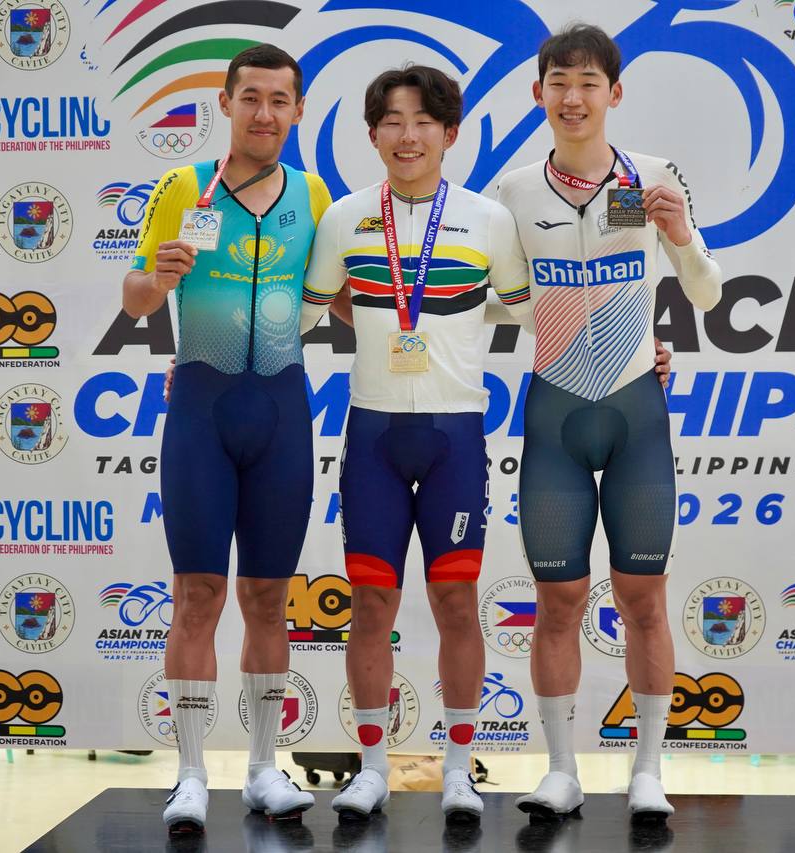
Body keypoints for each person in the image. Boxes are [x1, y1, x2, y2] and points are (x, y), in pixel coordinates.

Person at [495, 24, 722, 823]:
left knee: (644, 596)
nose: (573, 97)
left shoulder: (653, 177)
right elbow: (494, 300)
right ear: (539, 93)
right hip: (555, 411)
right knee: (557, 598)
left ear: (614, 93)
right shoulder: (512, 192)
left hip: (635, 415)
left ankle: (648, 770)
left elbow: (707, 294)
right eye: (559, 82)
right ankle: (561, 771)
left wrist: (681, 236)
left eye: (589, 82)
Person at [298, 64, 534, 825]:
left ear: (450, 133)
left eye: (424, 121)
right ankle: (372, 769)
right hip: (372, 433)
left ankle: (459, 770)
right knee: (371, 603)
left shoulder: (487, 220)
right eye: (393, 122)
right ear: (372, 135)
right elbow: (299, 313)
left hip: (455, 434)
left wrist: (642, 347)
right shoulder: (344, 218)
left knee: (456, 600)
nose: (409, 136)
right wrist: (201, 350)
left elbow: (536, 311)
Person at [121, 43, 332, 834]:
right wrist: (160, 276)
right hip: (201, 414)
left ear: (298, 110)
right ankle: (188, 774)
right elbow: (135, 297)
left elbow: (346, 296)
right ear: (226, 102)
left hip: (280, 413)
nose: (264, 114)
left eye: (280, 100)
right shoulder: (185, 187)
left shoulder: (313, 194)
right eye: (251, 98)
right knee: (198, 595)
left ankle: (264, 767)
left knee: (269, 598)